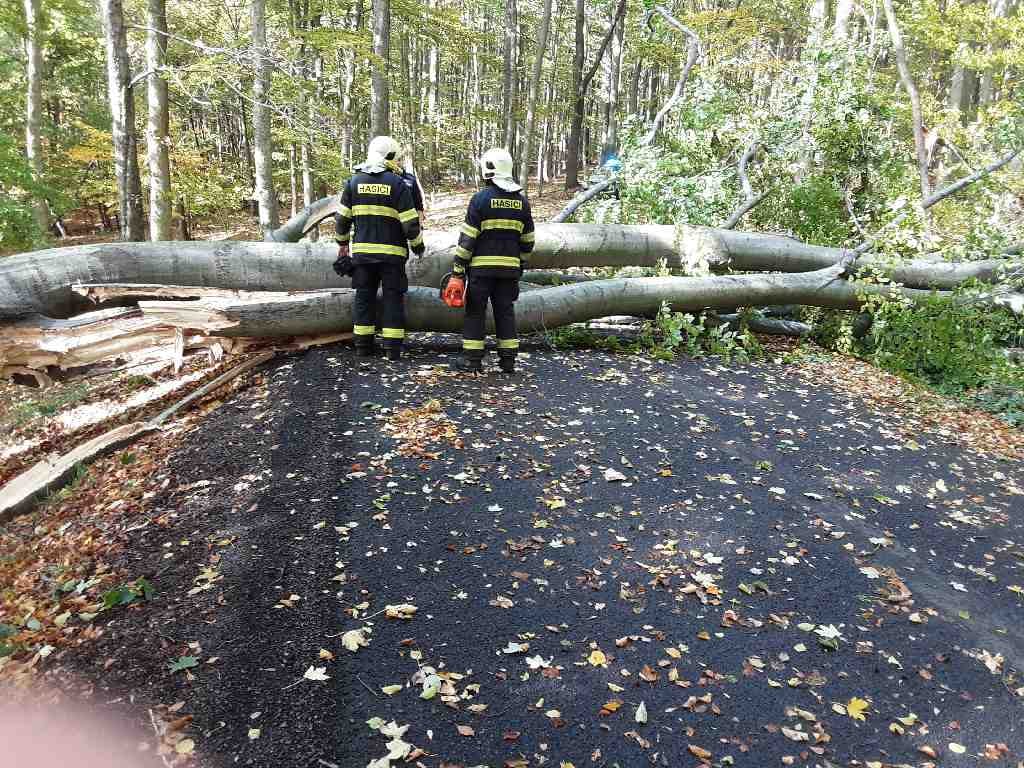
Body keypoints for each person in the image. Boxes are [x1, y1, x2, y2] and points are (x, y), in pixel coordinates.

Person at [334, 136, 425, 361]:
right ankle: (392, 349)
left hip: (363, 255)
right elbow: (410, 222)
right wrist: (418, 246)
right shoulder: (397, 184)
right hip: (392, 256)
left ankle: (363, 346)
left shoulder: (354, 182)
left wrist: (343, 245)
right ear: (391, 156)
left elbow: (342, 219)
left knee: (364, 297)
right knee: (393, 298)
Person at [451, 147, 535, 374]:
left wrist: (458, 270)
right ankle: (508, 361)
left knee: (475, 312)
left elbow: (467, 239)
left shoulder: (480, 200)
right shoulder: (522, 203)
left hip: (480, 271)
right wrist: (520, 264)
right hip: (509, 272)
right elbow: (528, 242)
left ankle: (472, 362)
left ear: (487, 169)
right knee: (505, 311)